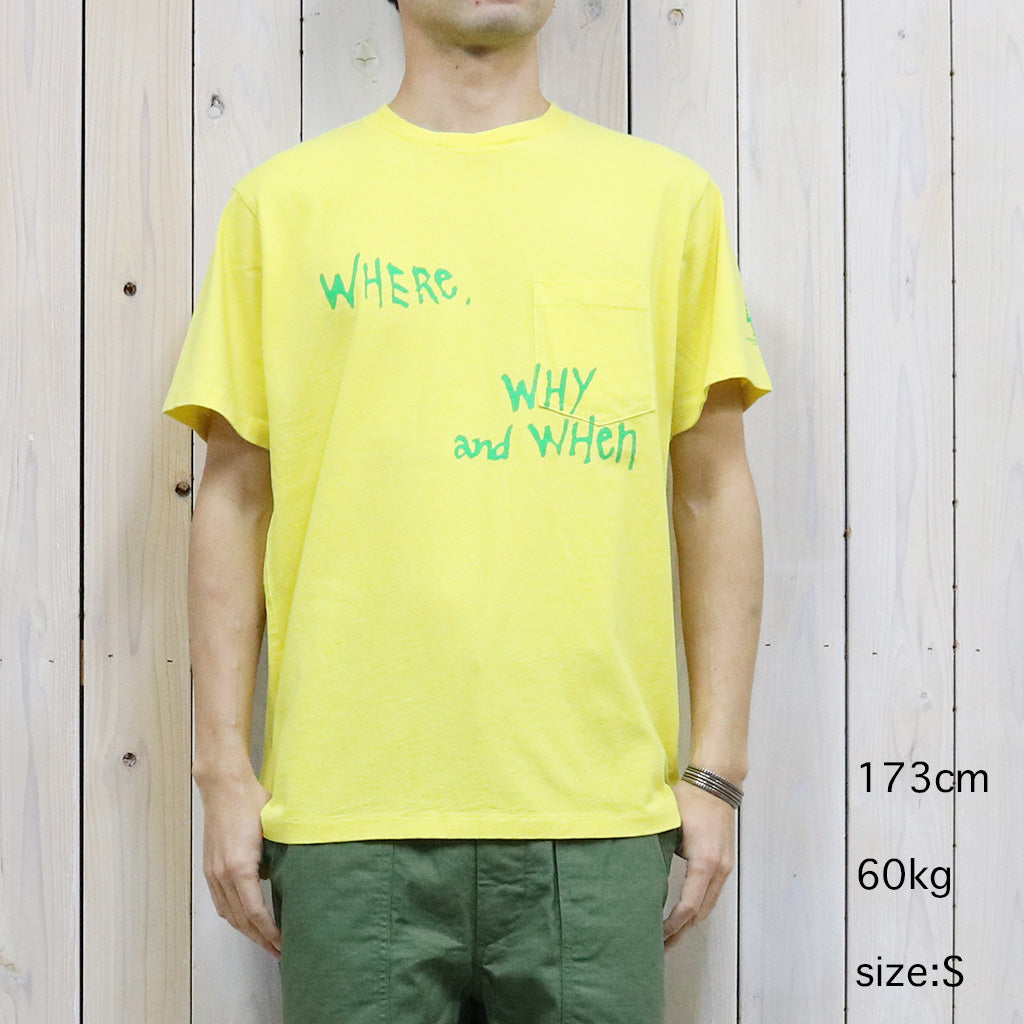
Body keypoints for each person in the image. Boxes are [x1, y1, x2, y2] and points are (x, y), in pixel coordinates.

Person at [163, 0, 771, 1020]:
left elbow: (712, 488)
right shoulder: (284, 205)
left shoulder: (665, 201)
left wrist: (716, 775)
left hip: (597, 816)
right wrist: (223, 769)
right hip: (347, 817)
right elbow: (233, 492)